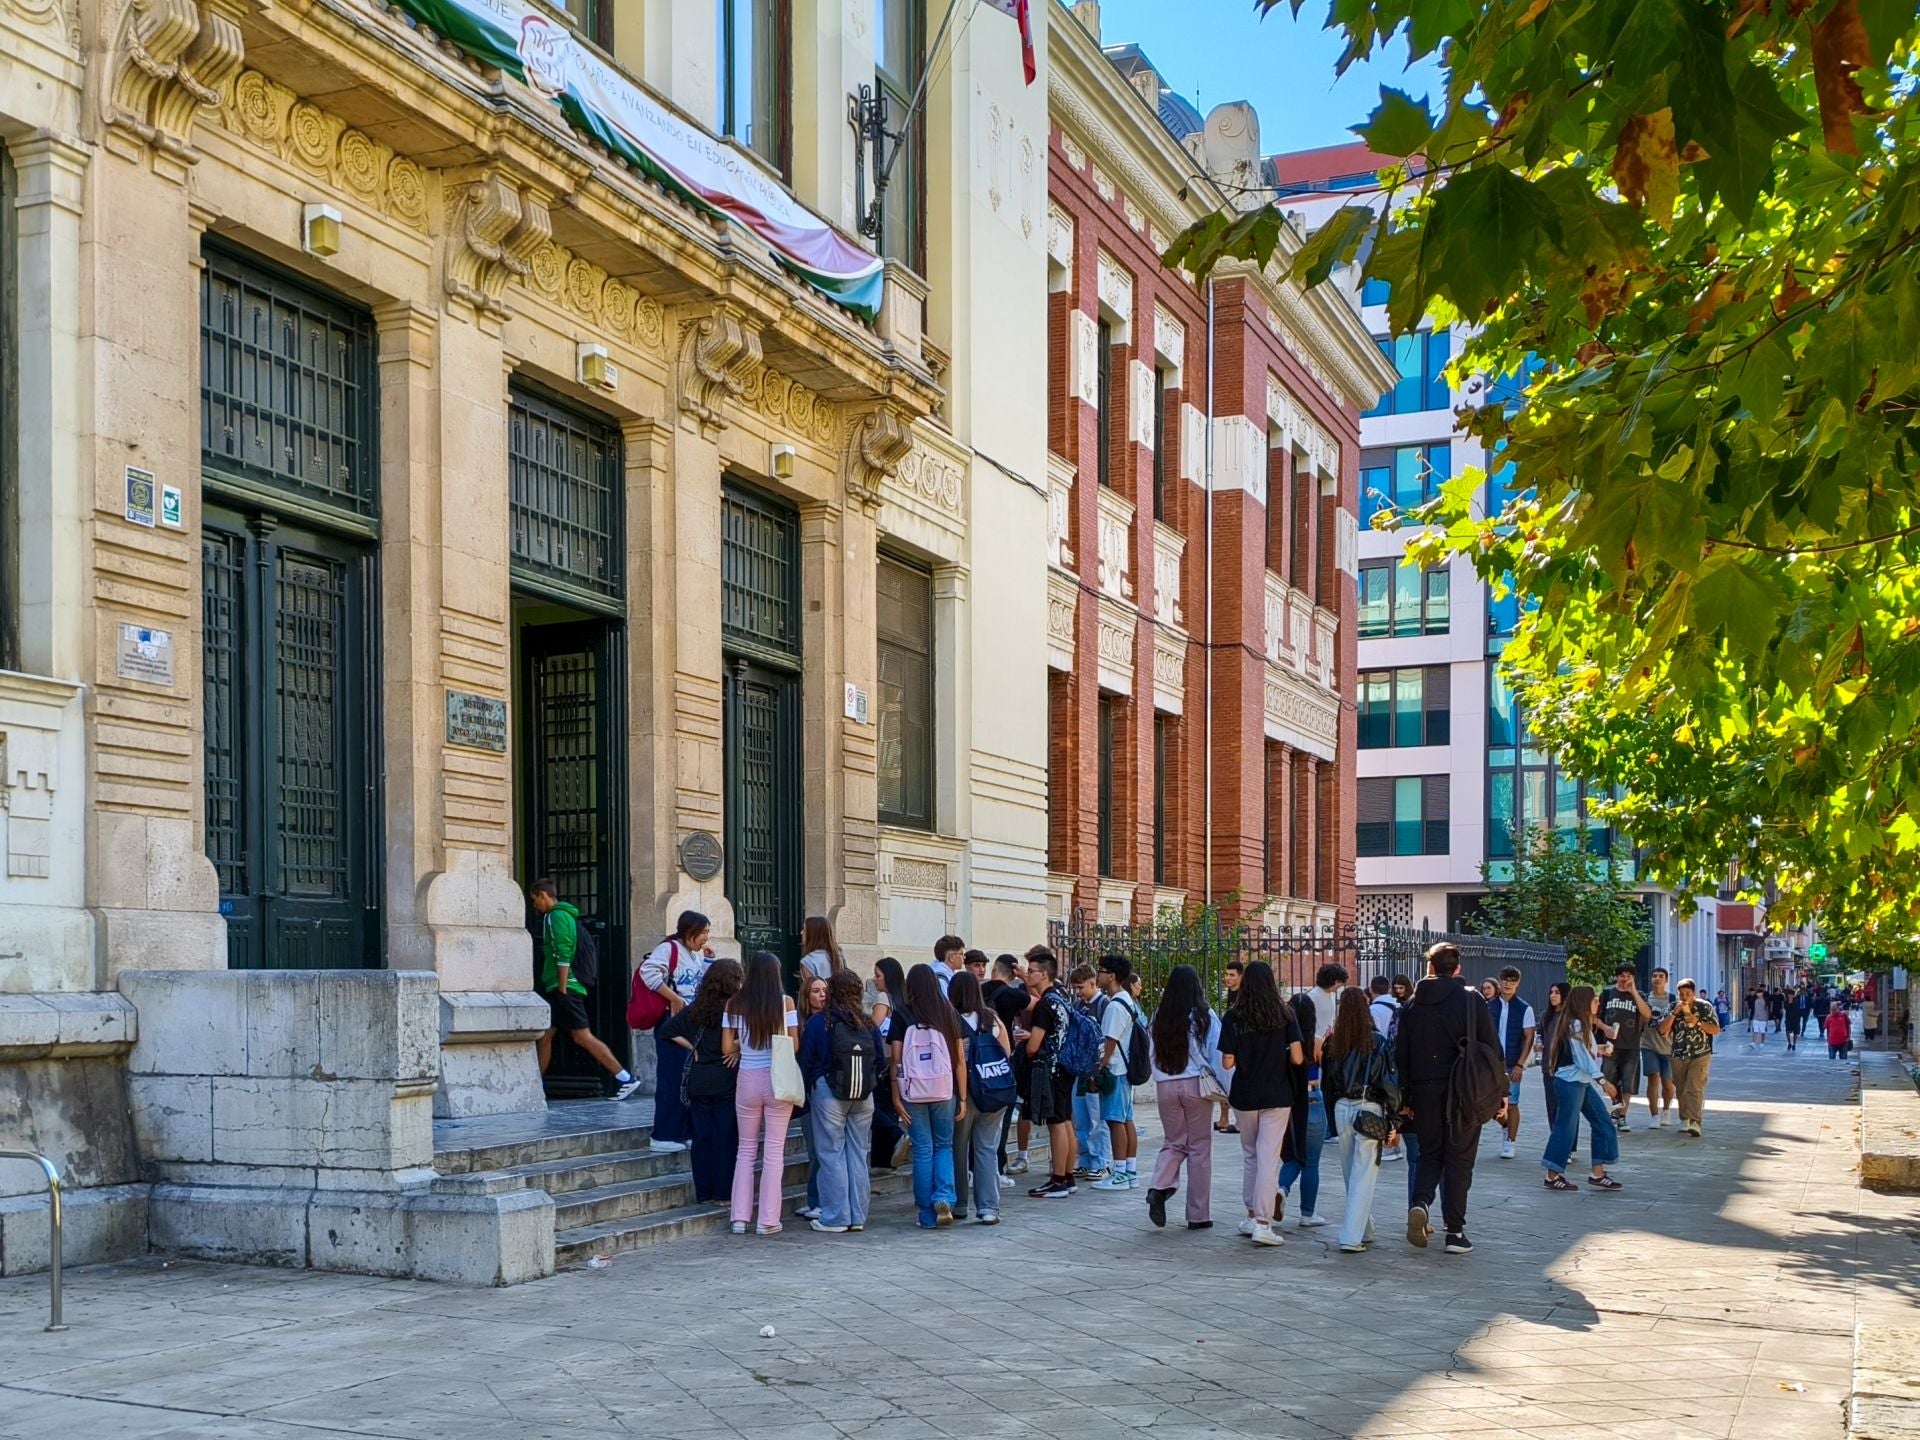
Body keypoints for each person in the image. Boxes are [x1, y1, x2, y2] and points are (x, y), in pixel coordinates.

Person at [1395, 942, 1503, 1255]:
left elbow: (1401, 1055)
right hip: (1465, 1088)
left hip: (1423, 1089)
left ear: (1429, 968)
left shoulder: (1412, 1005)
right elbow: (1491, 1049)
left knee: (1431, 1154)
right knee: (1460, 1159)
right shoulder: (1472, 999)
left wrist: (1405, 1096)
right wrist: (1502, 1093)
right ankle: (1454, 1232)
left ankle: (1421, 1203)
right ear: (1456, 968)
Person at [528, 879, 641, 1099]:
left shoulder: (556, 916)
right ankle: (535, 1088)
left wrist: (562, 986)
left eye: (534, 901)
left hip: (565, 987)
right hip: (562, 987)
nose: (534, 906)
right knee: (546, 1035)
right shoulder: (565, 916)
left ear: (543, 895)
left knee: (582, 1036)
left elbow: (563, 950)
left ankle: (625, 1078)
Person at [1219, 962, 1305, 1247]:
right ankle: (1263, 1222)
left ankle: (1250, 1214)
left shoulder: (1233, 1016)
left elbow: (1227, 1061)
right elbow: (1297, 1058)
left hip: (1245, 1094)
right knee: (1269, 1158)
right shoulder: (1285, 1014)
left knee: (1250, 1156)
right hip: (1277, 1093)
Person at [797, 969, 882, 1233]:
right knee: (858, 1153)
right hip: (864, 1094)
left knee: (831, 1154)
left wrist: (810, 1088)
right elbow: (879, 1059)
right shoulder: (867, 1023)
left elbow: (806, 1060)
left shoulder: (819, 1022)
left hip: (828, 1092)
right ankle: (858, 1216)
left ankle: (835, 1217)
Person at [723, 951, 800, 1235]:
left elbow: (726, 1048)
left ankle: (739, 1218)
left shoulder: (734, 1004)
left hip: (747, 1079)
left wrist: (743, 1046)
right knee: (773, 1151)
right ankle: (768, 1220)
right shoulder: (785, 1003)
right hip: (777, 1079)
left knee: (745, 1150)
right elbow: (793, 1046)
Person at [1144, 963, 1225, 1230]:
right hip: (1195, 1084)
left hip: (1165, 1085)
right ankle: (1199, 1214)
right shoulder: (1203, 1015)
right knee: (1200, 1147)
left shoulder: (1159, 1016)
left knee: (1174, 1142)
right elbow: (1214, 1052)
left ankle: (1159, 1185)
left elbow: (1151, 1052)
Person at [657, 958, 744, 1206]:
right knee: (726, 1139)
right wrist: (735, 1047)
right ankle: (723, 1194)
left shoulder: (697, 1008)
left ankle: (703, 1192)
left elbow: (667, 1031)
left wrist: (693, 1047)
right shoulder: (735, 1008)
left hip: (699, 1079)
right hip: (726, 1079)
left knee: (702, 1138)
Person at [1324, 986, 1401, 1253]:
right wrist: (1394, 1118)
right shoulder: (1377, 1042)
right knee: (1364, 1174)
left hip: (1341, 1107)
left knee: (1350, 1173)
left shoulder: (1333, 1043)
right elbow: (1390, 1083)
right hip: (1368, 1106)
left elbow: (1327, 1084)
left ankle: (1363, 1228)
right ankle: (1351, 1235)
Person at [891, 964, 968, 1228]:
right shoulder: (947, 1013)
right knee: (944, 1145)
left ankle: (926, 1214)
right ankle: (944, 1196)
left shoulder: (902, 1014)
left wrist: (896, 1096)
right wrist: (963, 1097)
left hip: (913, 1091)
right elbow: (959, 1060)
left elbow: (896, 1061)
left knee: (923, 1148)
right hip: (944, 1089)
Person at [637, 910, 715, 1152]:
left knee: (689, 1077)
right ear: (689, 932)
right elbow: (647, 972)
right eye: (703, 933)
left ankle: (686, 1130)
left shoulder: (692, 955)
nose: (705, 938)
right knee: (673, 1077)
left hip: (690, 1021)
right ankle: (663, 1134)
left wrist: (709, 961)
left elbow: (696, 982)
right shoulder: (668, 949)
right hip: (673, 1023)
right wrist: (673, 998)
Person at [1541, 985, 1623, 1192]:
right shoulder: (1575, 1024)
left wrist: (1601, 1050)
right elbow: (1581, 1057)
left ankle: (1598, 1172)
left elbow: (1584, 1053)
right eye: (1594, 1000)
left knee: (1602, 1122)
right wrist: (1603, 1081)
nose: (1597, 1004)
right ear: (1584, 1002)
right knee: (1566, 1127)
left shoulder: (1580, 1025)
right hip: (1570, 1082)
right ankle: (1552, 1175)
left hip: (1581, 1081)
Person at [947, 970, 1010, 1224]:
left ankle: (960, 1204)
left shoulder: (950, 1020)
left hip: (965, 1094)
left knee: (958, 1149)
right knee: (987, 1150)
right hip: (994, 1091)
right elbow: (1006, 1051)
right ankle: (988, 1208)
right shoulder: (991, 1017)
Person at [1020, 950, 1080, 1198]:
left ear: (1044, 974)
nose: (1028, 973)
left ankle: (1057, 1180)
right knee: (1065, 1122)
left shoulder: (1045, 1004)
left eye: (1032, 970)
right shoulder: (1061, 997)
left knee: (1056, 1124)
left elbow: (1034, 1045)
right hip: (1066, 1067)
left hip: (1051, 1069)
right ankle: (1068, 1176)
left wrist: (1026, 1046)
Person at [1091, 955, 1143, 1191]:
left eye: (1101, 971)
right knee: (1126, 1119)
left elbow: (1109, 1042)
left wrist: (1099, 1068)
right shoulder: (1127, 1000)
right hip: (1126, 1068)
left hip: (1115, 1070)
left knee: (1114, 1121)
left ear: (1111, 975)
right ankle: (1130, 1171)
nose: (1098, 975)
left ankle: (1120, 1173)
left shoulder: (1114, 1005)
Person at [1275, 990, 1327, 1228]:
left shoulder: (1282, 1041)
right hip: (1312, 1096)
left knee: (1292, 1155)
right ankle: (1308, 1213)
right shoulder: (1317, 1042)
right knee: (1312, 1161)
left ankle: (1282, 1188)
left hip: (1288, 1100)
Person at [1069, 964, 1114, 1184]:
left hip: (1095, 1070)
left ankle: (1101, 1161)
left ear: (1092, 984)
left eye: (1081, 987)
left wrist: (1100, 1069)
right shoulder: (1077, 1005)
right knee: (1081, 1118)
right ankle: (1085, 1159)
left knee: (1098, 1118)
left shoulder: (1104, 1005)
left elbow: (1106, 1040)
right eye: (1076, 988)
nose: (1078, 992)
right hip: (1079, 1069)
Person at [1487, 966, 1536, 1159]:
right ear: (1500, 980)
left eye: (1512, 980)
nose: (1508, 983)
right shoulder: (1489, 1006)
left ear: (1518, 983)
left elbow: (1529, 1037)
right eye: (1506, 979)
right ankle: (1505, 1125)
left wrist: (1520, 1064)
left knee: (1512, 1102)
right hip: (1491, 1063)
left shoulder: (1524, 1008)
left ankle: (1511, 1141)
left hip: (1512, 1062)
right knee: (1490, 1104)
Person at [793, 974, 830, 1220]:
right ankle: (814, 1198)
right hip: (805, 1091)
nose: (822, 995)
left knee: (820, 1150)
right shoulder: (798, 1022)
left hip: (821, 1090)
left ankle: (819, 1200)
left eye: (825, 990)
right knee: (813, 1149)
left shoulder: (828, 1021)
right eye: (816, 991)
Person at [869, 956, 910, 1173]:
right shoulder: (903, 999)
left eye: (878, 975)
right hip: (899, 1059)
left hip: (883, 1058)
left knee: (875, 1106)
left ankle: (895, 1136)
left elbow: (872, 1025)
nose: (874, 980)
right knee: (887, 1106)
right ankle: (883, 1161)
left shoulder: (884, 997)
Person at [1598, 965, 1650, 1130]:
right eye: (1622, 975)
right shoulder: (1607, 994)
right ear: (1616, 977)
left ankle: (1622, 1116)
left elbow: (1647, 1014)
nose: (1625, 979)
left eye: (1629, 976)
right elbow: (1595, 1017)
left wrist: (1633, 991)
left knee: (1628, 1082)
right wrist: (1605, 1028)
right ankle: (1615, 1105)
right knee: (1608, 1078)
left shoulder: (1639, 995)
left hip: (1631, 1045)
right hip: (1609, 1045)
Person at [1665, 979, 1720, 1136]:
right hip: (1678, 1053)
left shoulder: (1704, 1007)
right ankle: (1685, 1119)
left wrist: (1698, 1022)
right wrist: (1675, 1013)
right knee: (1681, 1088)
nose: (1684, 997)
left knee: (1694, 1088)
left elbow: (1716, 1030)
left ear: (1694, 993)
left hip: (1700, 1052)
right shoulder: (1672, 1007)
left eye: (1688, 994)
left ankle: (1696, 1122)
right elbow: (1662, 1030)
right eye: (1681, 994)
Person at [1640, 969, 1678, 1127]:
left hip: (1669, 1047)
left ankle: (1666, 1111)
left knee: (1668, 1082)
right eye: (1654, 976)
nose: (1657, 979)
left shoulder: (1672, 999)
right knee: (1653, 1077)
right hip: (1648, 1044)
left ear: (1667, 980)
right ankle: (1654, 1115)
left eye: (1661, 976)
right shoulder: (1645, 998)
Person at [1214, 960, 1246, 1134]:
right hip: (1229, 1045)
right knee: (1225, 1081)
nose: (1227, 978)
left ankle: (1239, 1120)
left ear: (1241, 976)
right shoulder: (1232, 995)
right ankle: (1224, 1118)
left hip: (1239, 1047)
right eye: (1226, 974)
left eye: (1232, 975)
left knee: (1234, 1083)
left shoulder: (1244, 996)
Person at [1538, 982, 1569, 1133]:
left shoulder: (1571, 1017)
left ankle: (1569, 1145)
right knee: (1552, 1106)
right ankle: (1555, 1139)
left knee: (1567, 1107)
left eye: (1557, 992)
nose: (1553, 996)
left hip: (1567, 1067)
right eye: (1551, 992)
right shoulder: (1546, 1016)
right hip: (1548, 1067)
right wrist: (1538, 1045)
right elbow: (1541, 1036)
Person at [798, 915, 842, 983]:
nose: (801, 932)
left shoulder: (808, 961)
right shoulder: (838, 956)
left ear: (812, 933)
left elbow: (810, 989)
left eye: (804, 929)